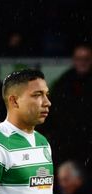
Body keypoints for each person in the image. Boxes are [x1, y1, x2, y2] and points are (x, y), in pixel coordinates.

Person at [42, 43, 92, 174]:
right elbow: (53, 110)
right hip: (66, 142)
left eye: (86, 59)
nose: (82, 63)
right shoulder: (64, 82)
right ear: (74, 60)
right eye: (79, 59)